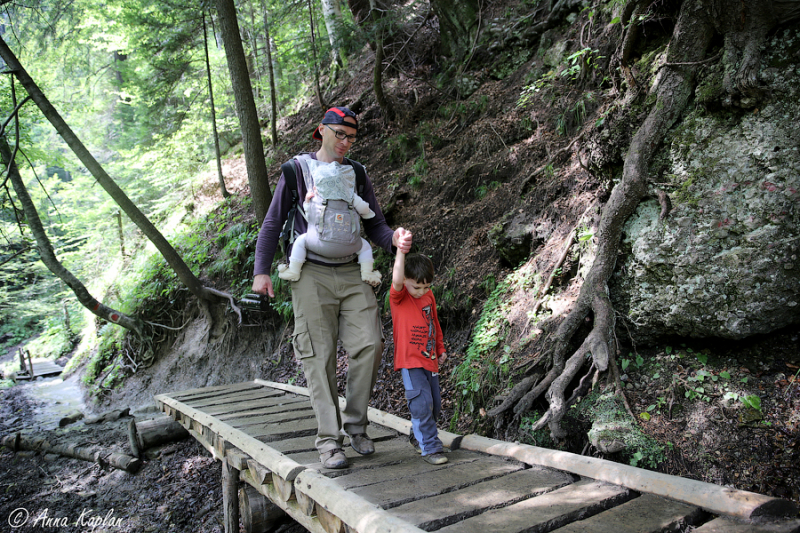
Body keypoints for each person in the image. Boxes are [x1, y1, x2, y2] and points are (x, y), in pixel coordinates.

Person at [252, 106, 412, 469]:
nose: (346, 142)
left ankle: (356, 425)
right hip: (311, 274)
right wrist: (262, 271)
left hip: (354, 272)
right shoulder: (297, 170)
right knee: (318, 356)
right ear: (321, 131)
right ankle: (329, 440)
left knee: (370, 343)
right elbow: (274, 221)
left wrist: (394, 240)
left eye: (351, 137)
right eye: (339, 134)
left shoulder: (357, 173)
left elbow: (376, 225)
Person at [276, 164, 382, 286]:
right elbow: (364, 209)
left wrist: (306, 202)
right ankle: (367, 272)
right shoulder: (352, 196)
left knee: (300, 241)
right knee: (365, 246)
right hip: (350, 246)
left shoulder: (317, 197)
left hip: (320, 244)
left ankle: (294, 270)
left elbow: (309, 215)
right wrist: (368, 213)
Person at [390, 248, 448, 465]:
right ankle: (431, 448)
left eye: (427, 287)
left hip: (429, 359)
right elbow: (396, 277)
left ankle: (418, 436)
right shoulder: (400, 296)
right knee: (421, 404)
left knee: (434, 404)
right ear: (405, 280)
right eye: (417, 286)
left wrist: (440, 349)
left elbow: (434, 322)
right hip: (410, 361)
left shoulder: (428, 295)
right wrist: (400, 251)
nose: (421, 291)